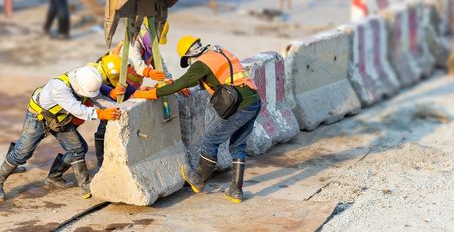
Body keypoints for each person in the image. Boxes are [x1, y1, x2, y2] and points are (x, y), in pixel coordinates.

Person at [133, 36, 261, 203]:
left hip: (240, 106)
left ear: (190, 56)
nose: (191, 65)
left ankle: (198, 179)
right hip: (254, 101)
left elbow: (180, 83)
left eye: (189, 62)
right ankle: (236, 191)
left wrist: (151, 93)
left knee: (210, 141)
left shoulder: (201, 64)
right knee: (238, 145)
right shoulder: (218, 52)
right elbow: (215, 77)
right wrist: (186, 85)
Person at [0, 66, 121, 201]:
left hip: (59, 118)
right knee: (22, 153)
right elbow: (77, 109)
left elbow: (97, 97)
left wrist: (118, 106)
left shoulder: (84, 79)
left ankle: (59, 178)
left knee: (78, 149)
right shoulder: (59, 88)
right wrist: (101, 114)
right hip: (38, 117)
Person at [110, 19, 171, 88]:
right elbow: (136, 63)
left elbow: (161, 66)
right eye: (156, 38)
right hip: (113, 83)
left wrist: (172, 83)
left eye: (158, 39)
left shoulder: (151, 49)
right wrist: (149, 72)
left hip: (130, 88)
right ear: (145, 29)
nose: (157, 41)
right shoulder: (133, 43)